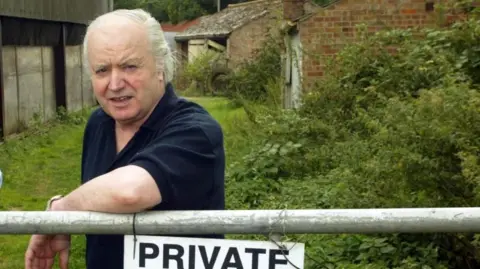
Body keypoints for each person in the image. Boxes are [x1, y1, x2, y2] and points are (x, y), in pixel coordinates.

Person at [24, 8, 225, 269]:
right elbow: (98, 195)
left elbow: (130, 192)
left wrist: (60, 211)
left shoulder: (196, 131)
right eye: (102, 70)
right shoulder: (98, 124)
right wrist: (64, 208)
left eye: (129, 66)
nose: (115, 83)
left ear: (161, 67)